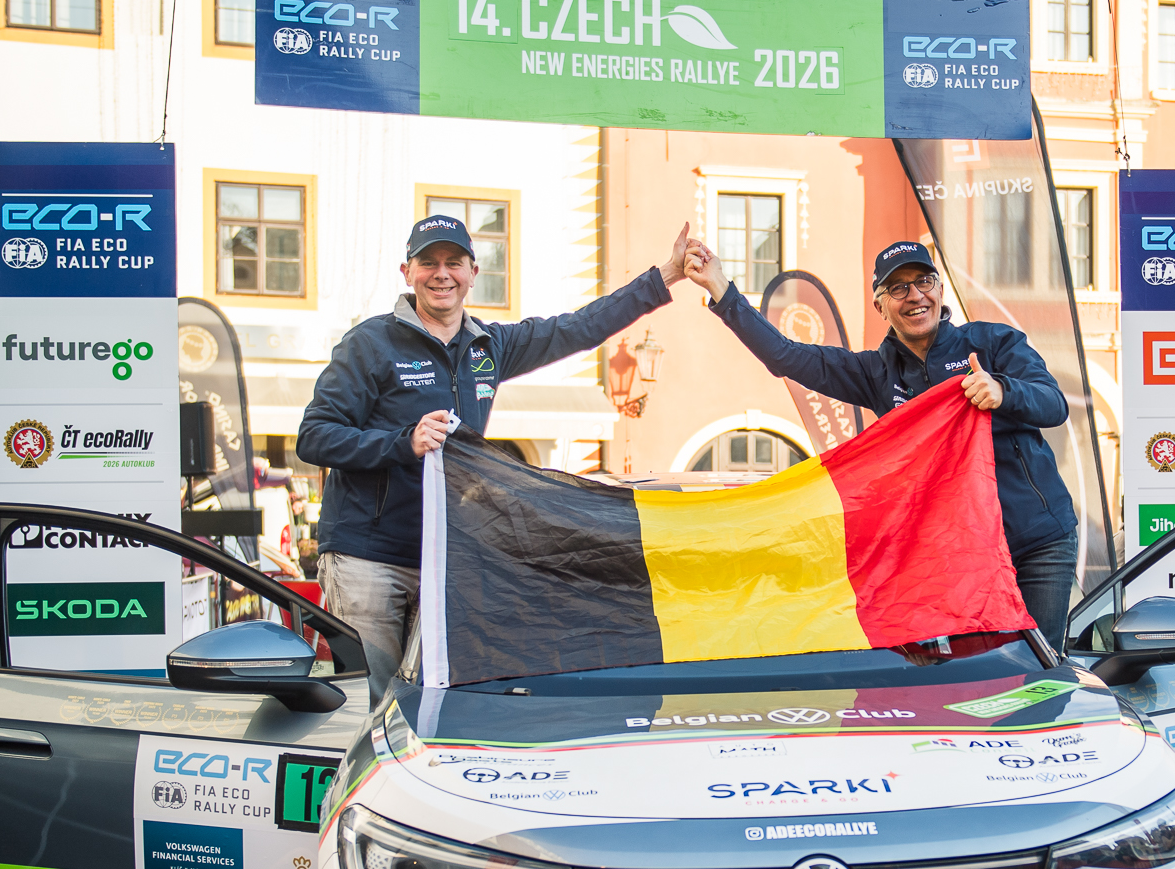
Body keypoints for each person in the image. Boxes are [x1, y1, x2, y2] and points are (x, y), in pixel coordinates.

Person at [300, 214, 701, 696]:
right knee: (373, 699)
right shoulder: (370, 343)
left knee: (432, 700)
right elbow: (314, 436)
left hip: (446, 559)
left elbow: (579, 328)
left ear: (473, 273)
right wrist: (403, 442)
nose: (441, 274)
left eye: (454, 262)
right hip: (368, 558)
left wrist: (667, 274)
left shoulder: (488, 347)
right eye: (428, 263)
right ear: (407, 272)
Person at [684, 241, 1079, 647]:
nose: (915, 296)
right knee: (979, 676)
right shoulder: (876, 374)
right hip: (960, 560)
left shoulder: (993, 343)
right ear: (880, 306)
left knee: (1038, 672)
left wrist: (1003, 390)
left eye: (923, 281)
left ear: (940, 289)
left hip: (1037, 543)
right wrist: (720, 288)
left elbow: (1054, 404)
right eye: (898, 288)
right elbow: (786, 355)